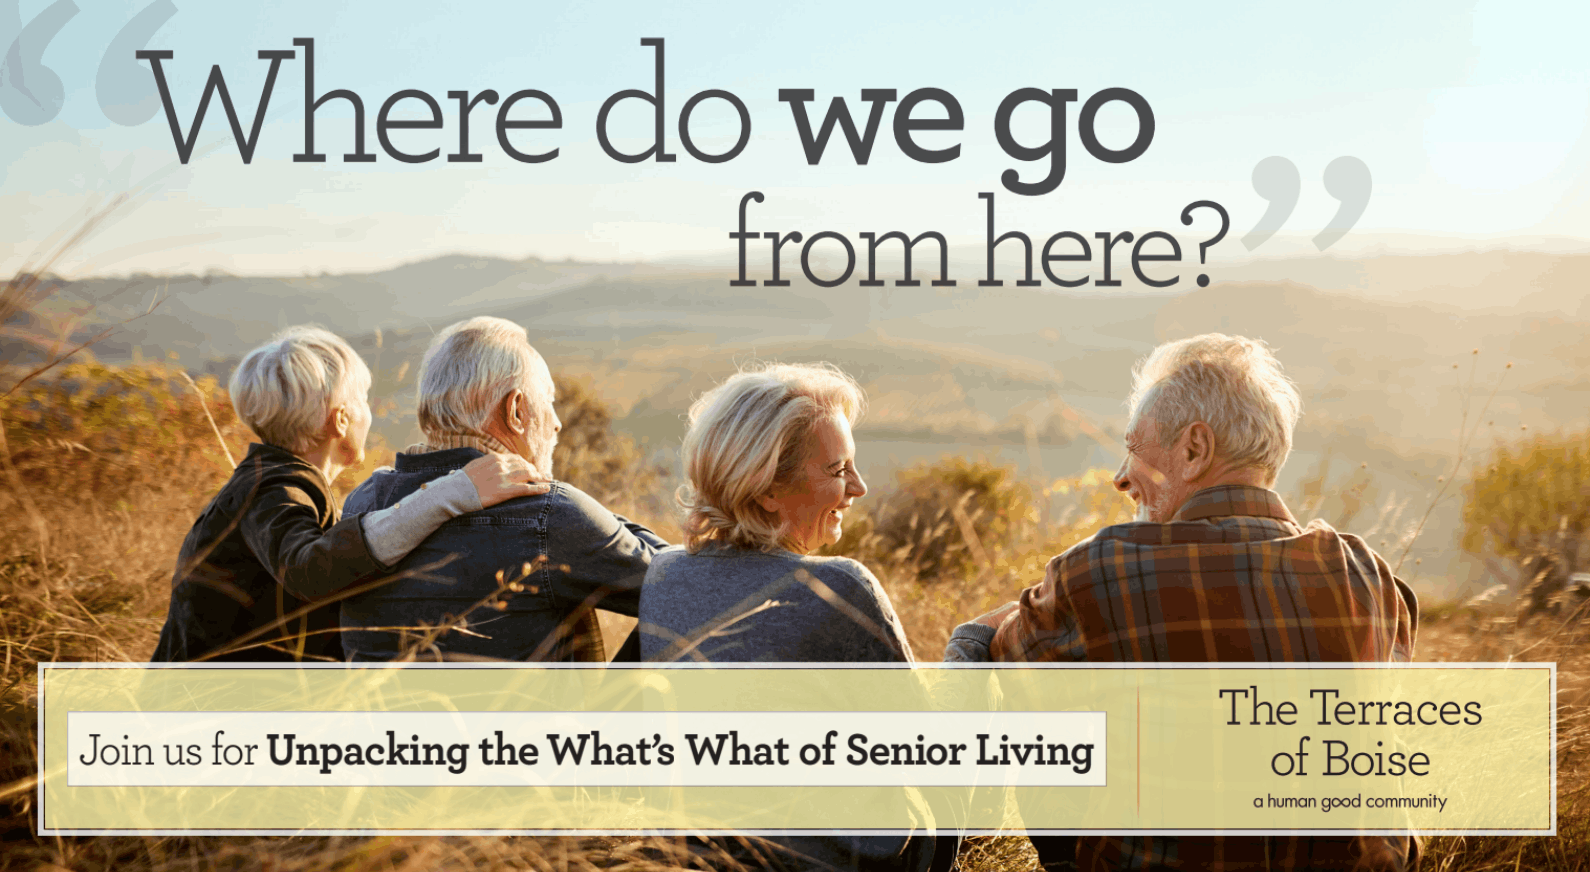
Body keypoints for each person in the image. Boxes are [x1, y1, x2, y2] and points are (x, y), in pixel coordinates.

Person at [945, 333, 1419, 872]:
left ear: (1194, 449)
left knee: (997, 667)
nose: (1121, 476)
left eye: (1134, 449)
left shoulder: (1101, 574)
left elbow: (1002, 655)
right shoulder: (1369, 577)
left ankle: (951, 851)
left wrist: (978, 635)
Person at [638, 362, 947, 872]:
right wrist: (975, 646)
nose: (859, 488)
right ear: (766, 489)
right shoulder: (839, 586)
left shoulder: (665, 574)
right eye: (837, 470)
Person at [152, 325, 543, 663]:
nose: (368, 413)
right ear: (340, 419)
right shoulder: (271, 488)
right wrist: (450, 494)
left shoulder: (271, 481)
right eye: (363, 400)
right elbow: (309, 569)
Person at [339, 316, 666, 662]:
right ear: (516, 412)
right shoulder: (548, 516)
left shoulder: (364, 500)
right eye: (549, 401)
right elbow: (688, 584)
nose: (556, 422)